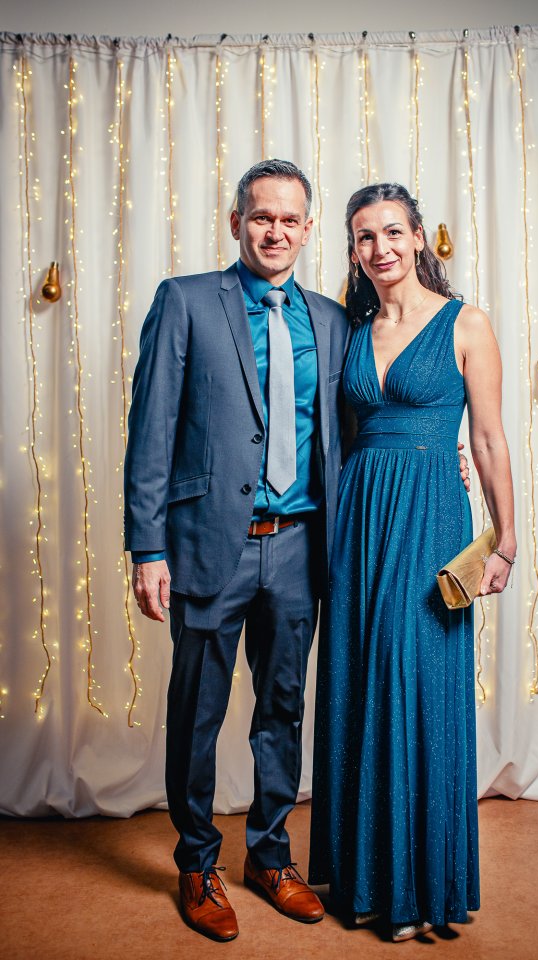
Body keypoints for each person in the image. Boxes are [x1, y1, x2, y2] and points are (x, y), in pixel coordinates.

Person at [124, 159, 351, 941]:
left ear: (308, 229)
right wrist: (147, 548)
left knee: (282, 708)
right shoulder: (186, 301)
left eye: (289, 219)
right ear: (236, 223)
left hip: (300, 548)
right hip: (206, 548)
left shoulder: (332, 320)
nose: (275, 231)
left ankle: (271, 857)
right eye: (261, 217)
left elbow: (354, 427)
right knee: (198, 711)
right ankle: (197, 864)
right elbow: (151, 430)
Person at [309, 183, 516, 943]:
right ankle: (365, 882)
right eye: (365, 237)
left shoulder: (466, 322)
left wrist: (506, 539)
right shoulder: (349, 329)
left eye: (393, 232)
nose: (381, 248)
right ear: (353, 249)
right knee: (357, 678)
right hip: (360, 519)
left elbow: (487, 438)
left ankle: (420, 887)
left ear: (419, 237)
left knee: (415, 680)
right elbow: (335, 435)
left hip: (431, 516)